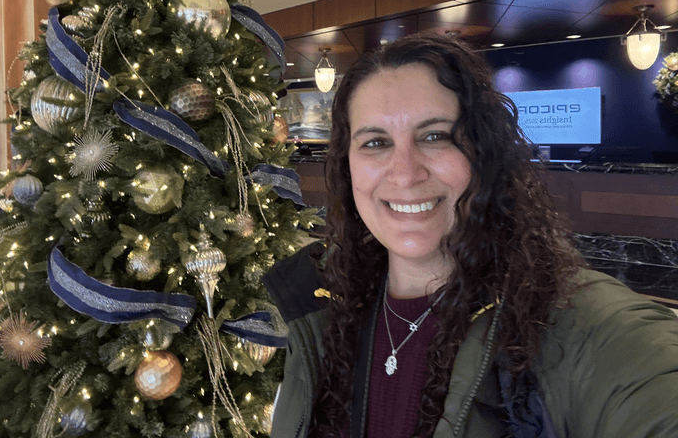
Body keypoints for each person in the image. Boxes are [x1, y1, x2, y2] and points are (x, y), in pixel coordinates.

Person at [264, 33, 678, 438]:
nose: (405, 173)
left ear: (483, 151)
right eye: (375, 142)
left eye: (435, 136)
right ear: (347, 165)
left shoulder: (579, 325)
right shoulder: (324, 308)